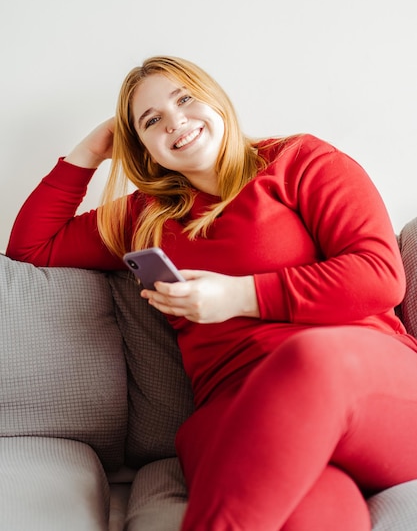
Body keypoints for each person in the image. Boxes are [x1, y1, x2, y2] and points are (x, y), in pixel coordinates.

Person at [7, 55, 417, 531]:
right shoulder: (145, 217)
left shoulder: (300, 161)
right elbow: (32, 247)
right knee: (319, 515)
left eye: (185, 99)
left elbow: (380, 274)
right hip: (235, 406)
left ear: (216, 99)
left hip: (365, 390)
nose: (175, 121)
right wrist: (89, 151)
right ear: (142, 148)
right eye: (151, 120)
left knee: (311, 358)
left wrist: (240, 296)